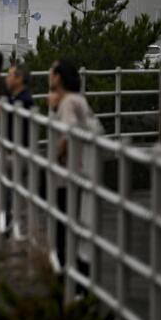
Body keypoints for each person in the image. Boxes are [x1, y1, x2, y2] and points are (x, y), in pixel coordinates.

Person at [48, 59, 100, 279]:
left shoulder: (68, 102)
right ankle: (79, 274)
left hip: (69, 172)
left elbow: (69, 130)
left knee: (63, 226)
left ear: (58, 77)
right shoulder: (79, 99)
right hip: (85, 170)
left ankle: (65, 274)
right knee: (78, 225)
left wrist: (57, 153)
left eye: (52, 71)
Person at [5, 62, 34, 143]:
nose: (6, 79)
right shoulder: (17, 97)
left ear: (19, 78)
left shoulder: (25, 101)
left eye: (9, 75)